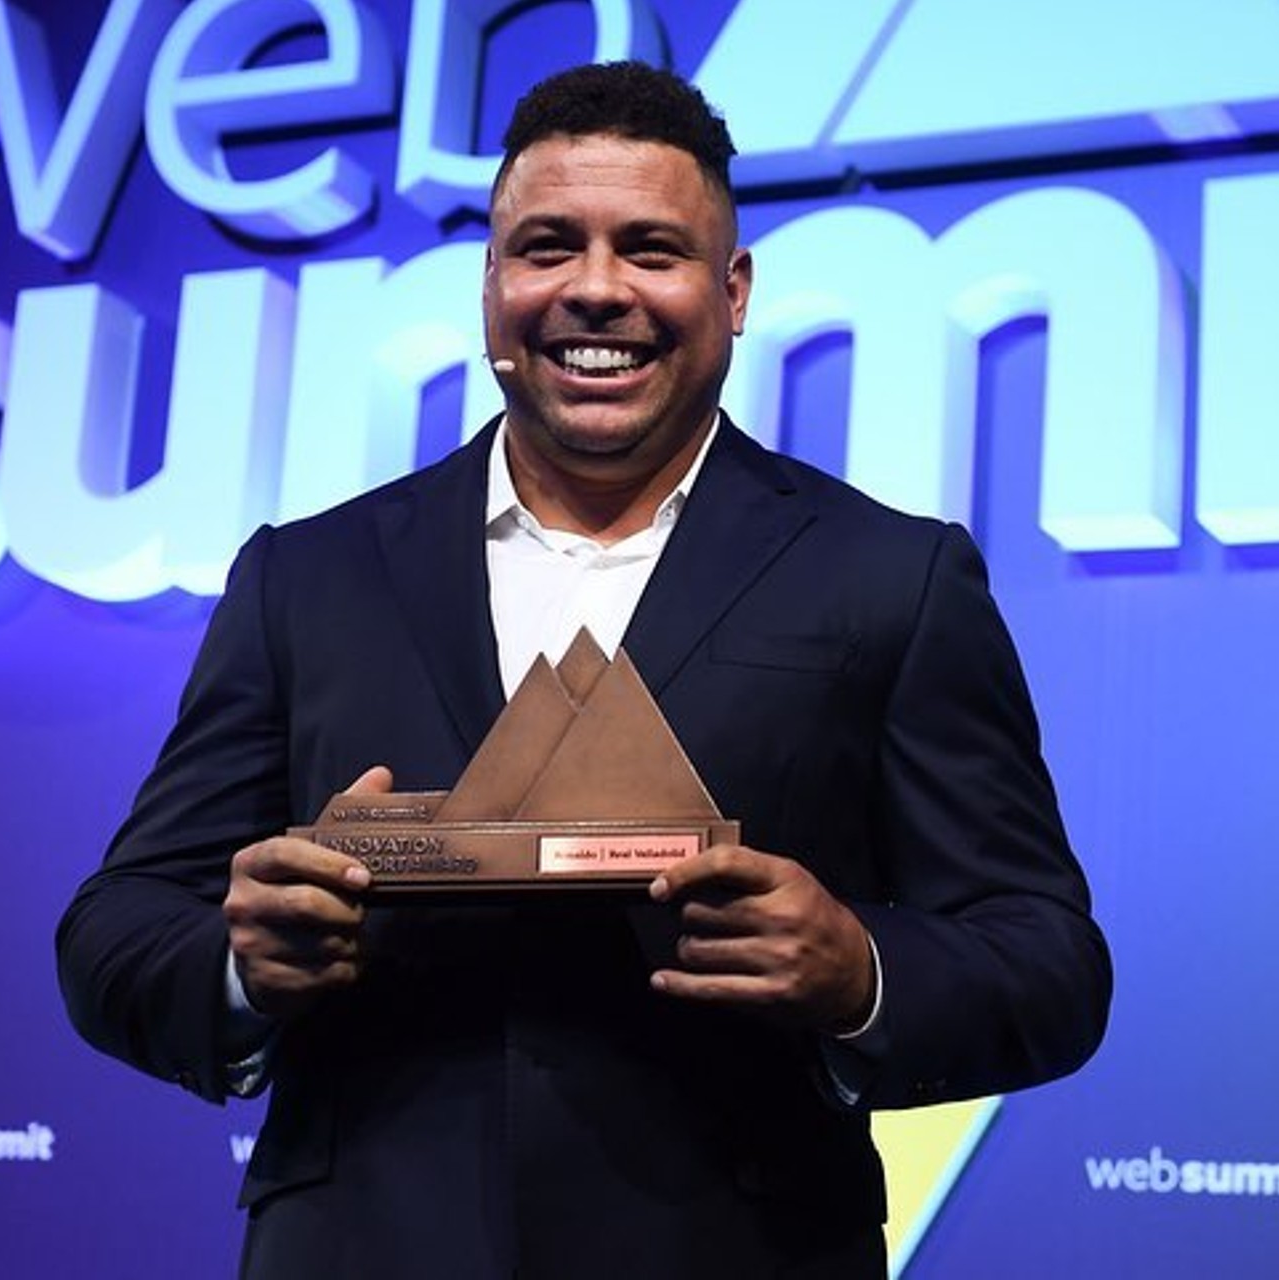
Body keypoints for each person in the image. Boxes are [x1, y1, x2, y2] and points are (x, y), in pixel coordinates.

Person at [58, 61, 1110, 1280]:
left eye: (651, 250)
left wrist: (857, 969)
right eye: (548, 246)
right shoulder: (307, 574)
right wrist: (243, 964)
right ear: (491, 284)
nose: (597, 289)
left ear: (733, 291)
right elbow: (116, 928)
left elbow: (1046, 961)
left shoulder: (892, 574)